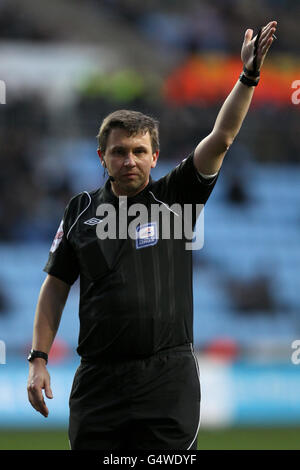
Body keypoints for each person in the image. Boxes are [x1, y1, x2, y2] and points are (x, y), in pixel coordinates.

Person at [27, 21, 277, 450]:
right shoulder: (80, 210)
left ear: (155, 156)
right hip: (98, 382)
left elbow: (222, 136)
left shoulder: (177, 196)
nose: (130, 160)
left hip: (167, 379)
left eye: (139, 151)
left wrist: (248, 77)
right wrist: (38, 358)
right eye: (119, 151)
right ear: (102, 156)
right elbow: (55, 284)